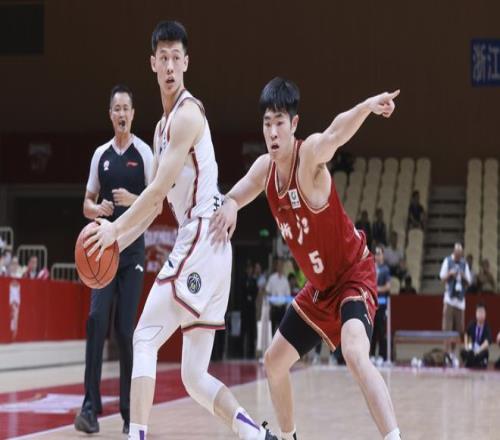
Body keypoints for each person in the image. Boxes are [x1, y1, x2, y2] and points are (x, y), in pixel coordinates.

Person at [85, 21, 278, 440]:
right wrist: (118, 239)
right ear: (153, 64)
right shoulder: (160, 129)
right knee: (193, 376)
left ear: (186, 63)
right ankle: (257, 435)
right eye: (164, 58)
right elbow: (155, 205)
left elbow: (155, 194)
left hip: (203, 238)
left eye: (177, 57)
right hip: (212, 246)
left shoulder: (188, 114)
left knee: (143, 338)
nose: (170, 65)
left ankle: (135, 435)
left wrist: (112, 233)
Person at [210, 77, 401, 439]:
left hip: (352, 275)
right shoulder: (264, 170)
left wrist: (366, 107)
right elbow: (234, 196)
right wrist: (231, 205)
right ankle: (289, 437)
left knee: (355, 352)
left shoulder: (308, 157)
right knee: (273, 361)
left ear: (294, 124)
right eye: (267, 123)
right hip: (320, 288)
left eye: (279, 122)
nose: (272, 132)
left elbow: (335, 134)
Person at [74, 84, 153, 435]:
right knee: (95, 320)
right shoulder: (100, 155)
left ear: (133, 114)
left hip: (132, 251)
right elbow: (86, 204)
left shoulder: (145, 153)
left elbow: (156, 202)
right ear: (110, 115)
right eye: (116, 108)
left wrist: (133, 199)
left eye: (126, 109)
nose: (121, 114)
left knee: (125, 330)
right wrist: (99, 209)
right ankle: (89, 409)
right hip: (103, 252)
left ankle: (129, 413)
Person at [439, 243, 471, 360]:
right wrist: (450, 274)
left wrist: (462, 275)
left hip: (460, 302)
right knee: (447, 328)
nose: (458, 256)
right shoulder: (447, 261)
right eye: (457, 254)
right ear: (454, 252)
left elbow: (469, 281)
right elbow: (441, 277)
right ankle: (445, 354)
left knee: (459, 329)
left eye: (460, 254)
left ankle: (453, 354)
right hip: (449, 300)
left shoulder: (464, 263)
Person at [370, 247, 391, 364]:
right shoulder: (371, 268)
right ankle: (372, 355)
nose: (377, 256)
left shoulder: (385, 269)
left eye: (379, 254)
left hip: (382, 304)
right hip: (372, 304)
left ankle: (382, 356)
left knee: (381, 331)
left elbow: (388, 286)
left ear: (383, 255)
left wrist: (377, 289)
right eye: (376, 254)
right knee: (372, 330)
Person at [460, 303, 492, 368]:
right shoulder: (472, 324)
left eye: (482, 312)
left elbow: (487, 342)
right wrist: (466, 346)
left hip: (480, 350)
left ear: (485, 314)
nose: (480, 314)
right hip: (471, 350)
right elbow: (466, 334)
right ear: (476, 313)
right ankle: (473, 361)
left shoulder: (487, 327)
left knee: (483, 354)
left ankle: (471, 362)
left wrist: (478, 350)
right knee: (463, 352)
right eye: (479, 312)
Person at [266, 259, 291, 334]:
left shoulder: (285, 280)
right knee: (272, 330)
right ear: (276, 267)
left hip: (282, 309)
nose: (280, 267)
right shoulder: (272, 278)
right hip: (274, 308)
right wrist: (269, 305)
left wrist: (287, 309)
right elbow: (268, 292)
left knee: (282, 331)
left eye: (281, 266)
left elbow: (288, 295)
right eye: (278, 265)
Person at [241, 260, 258, 359]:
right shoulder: (243, 279)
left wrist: (251, 297)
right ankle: (242, 351)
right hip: (245, 308)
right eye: (248, 269)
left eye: (250, 269)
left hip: (251, 308)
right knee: (244, 329)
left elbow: (255, 291)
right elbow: (241, 292)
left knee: (251, 330)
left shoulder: (254, 280)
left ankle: (251, 352)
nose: (249, 270)